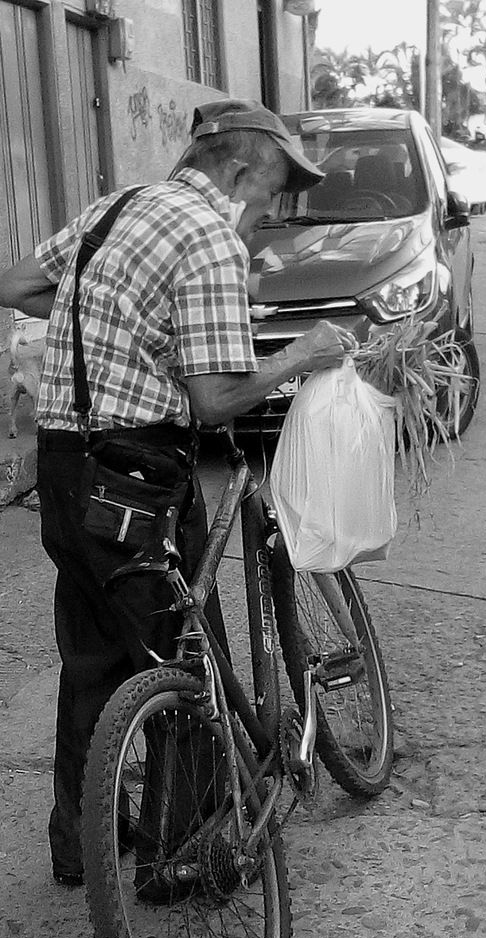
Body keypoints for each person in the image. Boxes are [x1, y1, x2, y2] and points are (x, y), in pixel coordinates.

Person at [0, 98, 354, 890]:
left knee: (93, 655)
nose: (266, 216)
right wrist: (302, 353)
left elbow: (15, 284)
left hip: (61, 467)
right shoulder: (207, 236)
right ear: (235, 172)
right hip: (137, 476)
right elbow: (215, 400)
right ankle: (181, 853)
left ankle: (79, 845)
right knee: (186, 658)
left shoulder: (117, 208)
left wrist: (115, 309)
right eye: (269, 197)